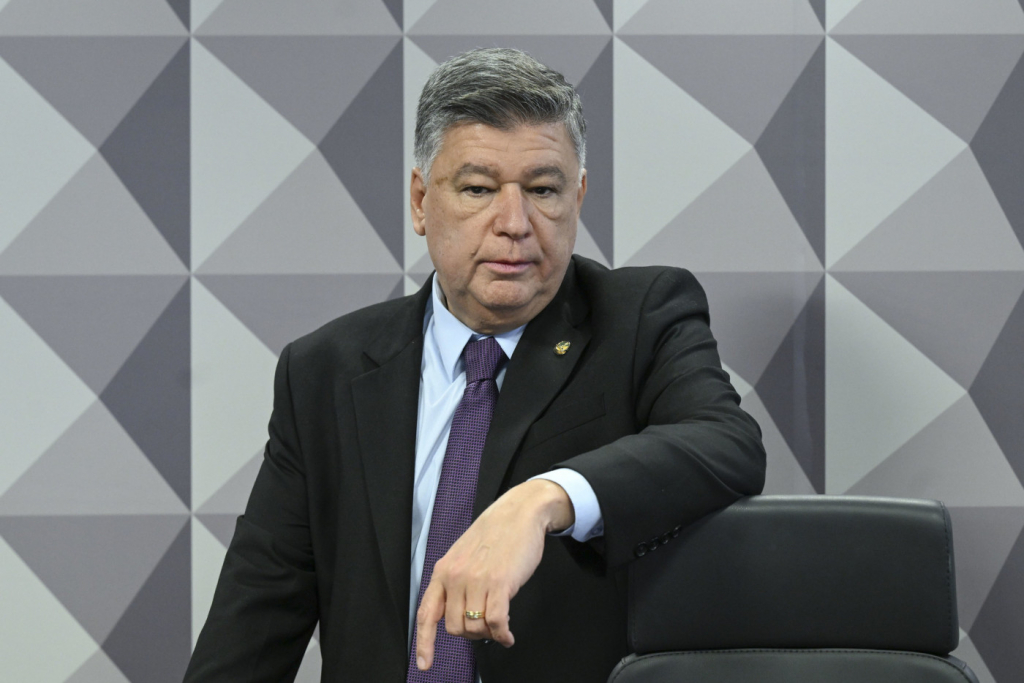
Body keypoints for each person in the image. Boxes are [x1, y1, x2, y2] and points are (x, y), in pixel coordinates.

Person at [184, 48, 765, 683]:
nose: (514, 224)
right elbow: (253, 627)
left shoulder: (639, 319)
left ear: (578, 197)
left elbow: (725, 442)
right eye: (478, 189)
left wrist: (545, 499)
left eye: (542, 190)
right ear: (420, 201)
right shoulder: (325, 372)